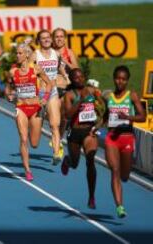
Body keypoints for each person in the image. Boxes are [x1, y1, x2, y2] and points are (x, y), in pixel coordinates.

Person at [5, 43, 51, 181]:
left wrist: (45, 98)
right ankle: (27, 170)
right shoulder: (13, 72)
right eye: (16, 53)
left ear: (26, 54)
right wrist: (10, 96)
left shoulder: (36, 69)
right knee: (23, 139)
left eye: (20, 53)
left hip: (35, 108)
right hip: (21, 108)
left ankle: (39, 123)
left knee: (34, 143)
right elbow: (8, 90)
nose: (17, 56)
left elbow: (49, 84)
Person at [104, 65, 146, 218]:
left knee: (125, 176)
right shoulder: (109, 96)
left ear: (127, 81)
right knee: (114, 170)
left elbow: (142, 117)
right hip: (112, 139)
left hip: (127, 138)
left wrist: (127, 117)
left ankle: (122, 184)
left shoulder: (132, 95)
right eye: (117, 78)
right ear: (114, 78)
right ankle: (119, 206)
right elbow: (106, 116)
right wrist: (95, 128)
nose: (119, 81)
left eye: (123, 79)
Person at [60, 68, 105, 209]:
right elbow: (67, 115)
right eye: (76, 78)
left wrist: (100, 120)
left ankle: (91, 196)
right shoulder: (69, 95)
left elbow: (103, 107)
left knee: (90, 159)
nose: (79, 79)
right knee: (75, 164)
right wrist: (81, 101)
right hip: (74, 133)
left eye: (81, 77)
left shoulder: (92, 91)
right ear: (72, 80)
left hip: (88, 132)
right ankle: (67, 161)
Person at [31, 29, 68, 165]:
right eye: (43, 38)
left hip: (52, 92)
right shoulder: (35, 55)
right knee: (34, 142)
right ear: (39, 41)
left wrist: (65, 77)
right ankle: (34, 127)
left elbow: (61, 68)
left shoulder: (56, 54)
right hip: (38, 94)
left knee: (55, 125)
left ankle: (56, 153)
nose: (46, 40)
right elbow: (28, 72)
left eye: (48, 37)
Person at [52, 27, 79, 140]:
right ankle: (56, 135)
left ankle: (59, 137)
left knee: (63, 117)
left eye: (61, 36)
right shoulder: (50, 52)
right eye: (57, 37)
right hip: (52, 86)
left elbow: (77, 69)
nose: (59, 39)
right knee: (55, 117)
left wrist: (65, 61)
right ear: (53, 39)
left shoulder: (69, 52)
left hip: (65, 87)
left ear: (65, 39)